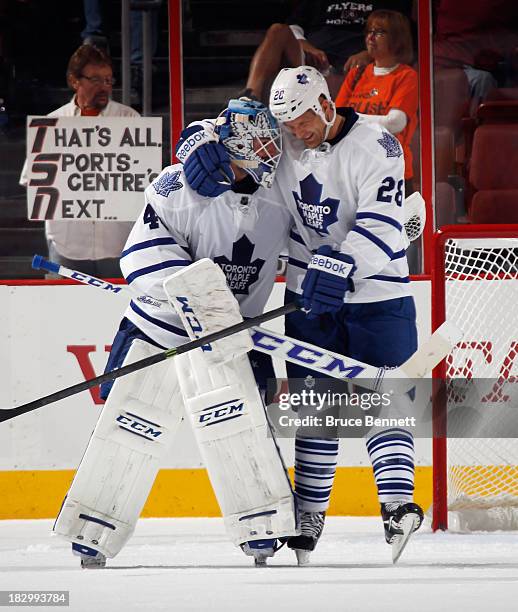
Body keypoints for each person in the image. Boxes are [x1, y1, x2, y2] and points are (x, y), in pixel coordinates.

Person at [178, 67, 424, 565]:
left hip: (377, 294)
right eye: (285, 124)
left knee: (385, 397)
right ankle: (307, 520)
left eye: (302, 120)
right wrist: (196, 140)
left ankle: (397, 507)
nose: (294, 133)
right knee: (316, 408)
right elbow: (235, 126)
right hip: (311, 297)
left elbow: (382, 221)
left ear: (326, 103)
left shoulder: (379, 147)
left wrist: (343, 261)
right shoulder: (286, 138)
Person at [54, 98, 296, 568]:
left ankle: (260, 525)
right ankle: (94, 526)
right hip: (158, 333)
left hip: (227, 338)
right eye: (257, 142)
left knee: (240, 434)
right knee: (131, 431)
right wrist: (189, 295)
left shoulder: (281, 194)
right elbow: (139, 256)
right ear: (231, 146)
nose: (270, 151)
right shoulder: (177, 184)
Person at [19, 44, 139, 278]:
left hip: (118, 245)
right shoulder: (52, 124)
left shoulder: (129, 120)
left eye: (108, 80)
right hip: (67, 246)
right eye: (95, 80)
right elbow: (34, 182)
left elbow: (143, 181)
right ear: (75, 81)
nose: (104, 87)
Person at [240, 0, 412, 103]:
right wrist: (305, 46)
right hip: (313, 60)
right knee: (278, 30)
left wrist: (370, 54)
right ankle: (249, 100)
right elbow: (293, 25)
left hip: (357, 64)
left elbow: (400, 30)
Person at [335, 9, 418, 195]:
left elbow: (395, 123)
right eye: (369, 32)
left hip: (392, 172)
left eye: (379, 32)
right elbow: (337, 117)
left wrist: (352, 120)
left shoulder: (406, 76)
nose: (371, 37)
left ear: (397, 39)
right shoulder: (356, 74)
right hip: (354, 170)